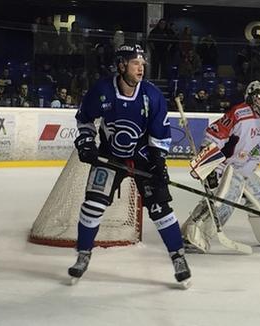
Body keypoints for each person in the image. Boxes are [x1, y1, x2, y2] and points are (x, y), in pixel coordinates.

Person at [69, 43, 192, 286]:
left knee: (160, 208)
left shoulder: (152, 95)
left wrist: (158, 162)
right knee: (93, 204)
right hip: (109, 155)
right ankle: (83, 254)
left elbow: (161, 134)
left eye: (143, 63)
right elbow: (84, 119)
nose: (141, 67)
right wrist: (85, 142)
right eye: (136, 63)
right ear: (122, 65)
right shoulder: (102, 90)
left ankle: (178, 257)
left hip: (143, 156)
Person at [181, 80, 260, 253]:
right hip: (226, 168)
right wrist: (208, 169)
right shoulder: (238, 114)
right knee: (224, 202)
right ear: (251, 99)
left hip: (247, 169)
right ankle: (193, 232)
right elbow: (214, 137)